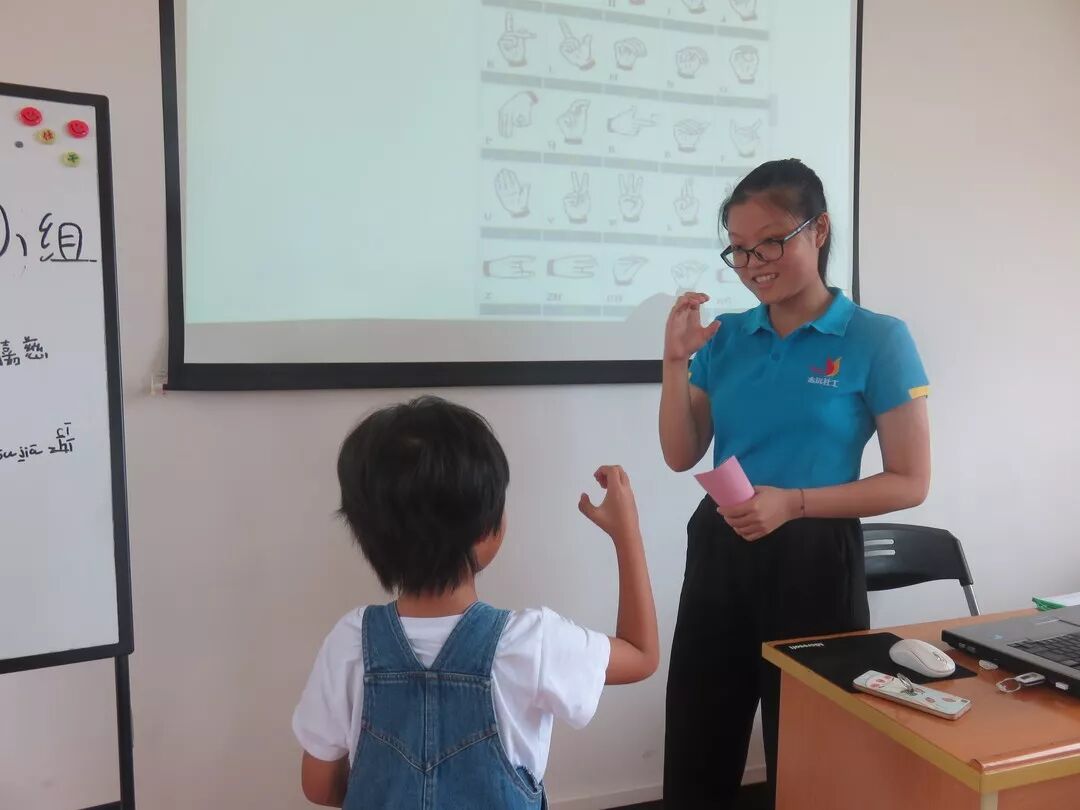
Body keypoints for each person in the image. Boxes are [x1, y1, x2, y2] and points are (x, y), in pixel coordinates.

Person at [659, 159, 931, 808]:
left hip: (816, 558)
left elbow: (910, 481)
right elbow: (680, 453)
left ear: (820, 231)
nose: (754, 263)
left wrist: (797, 504)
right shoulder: (727, 336)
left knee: (815, 754)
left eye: (771, 242)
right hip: (722, 546)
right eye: (739, 248)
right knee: (698, 744)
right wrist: (674, 361)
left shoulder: (877, 339)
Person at [293, 396, 659, 808]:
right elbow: (642, 654)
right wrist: (626, 532)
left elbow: (319, 785)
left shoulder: (348, 642)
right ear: (487, 529)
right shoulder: (533, 643)